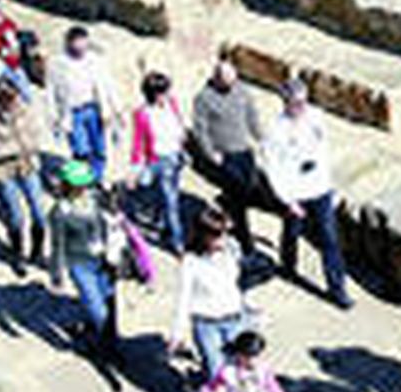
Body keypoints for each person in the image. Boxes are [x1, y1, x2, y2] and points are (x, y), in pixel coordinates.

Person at [263, 79, 350, 309]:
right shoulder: (275, 129)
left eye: (304, 101)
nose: (301, 107)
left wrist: (331, 184)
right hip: (295, 191)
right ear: (285, 102)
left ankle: (337, 290)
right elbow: (273, 168)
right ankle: (288, 266)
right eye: (296, 103)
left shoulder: (316, 117)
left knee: (330, 239)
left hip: (320, 188)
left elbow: (324, 151)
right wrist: (287, 199)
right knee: (292, 232)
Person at [192, 58, 265, 257]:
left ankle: (225, 204)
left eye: (233, 80)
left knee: (249, 188)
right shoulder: (204, 98)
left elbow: (252, 116)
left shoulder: (242, 91)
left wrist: (261, 138)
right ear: (216, 79)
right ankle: (246, 241)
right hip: (225, 156)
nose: (231, 85)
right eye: (226, 82)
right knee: (239, 200)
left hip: (244, 151)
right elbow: (200, 130)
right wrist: (211, 153)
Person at [0, 76, 47, 276]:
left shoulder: (27, 111)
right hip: (2, 172)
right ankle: (17, 253)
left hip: (27, 166)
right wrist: (18, 147)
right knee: (16, 216)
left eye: (13, 97)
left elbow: (36, 139)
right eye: (5, 99)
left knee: (39, 213)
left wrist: (12, 147)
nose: (11, 103)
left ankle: (37, 251)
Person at [170, 208, 248, 381]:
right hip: (206, 323)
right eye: (217, 235)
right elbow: (183, 298)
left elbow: (237, 281)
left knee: (238, 367)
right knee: (216, 371)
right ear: (203, 235)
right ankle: (197, 380)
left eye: (225, 233)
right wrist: (177, 333)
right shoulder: (190, 262)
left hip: (234, 317)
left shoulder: (233, 249)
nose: (223, 239)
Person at [49, 158, 114, 358]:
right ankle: (106, 347)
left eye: (86, 184)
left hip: (103, 262)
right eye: (79, 185)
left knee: (107, 304)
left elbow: (107, 222)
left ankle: (95, 335)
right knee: (99, 311)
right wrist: (56, 273)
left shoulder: (95, 199)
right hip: (79, 264)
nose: (84, 188)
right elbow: (57, 244)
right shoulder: (60, 212)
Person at [51, 26, 124, 185]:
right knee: (80, 150)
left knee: (99, 148)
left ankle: (96, 179)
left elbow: (107, 84)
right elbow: (51, 93)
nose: (82, 47)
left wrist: (117, 110)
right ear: (69, 43)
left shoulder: (95, 61)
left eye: (84, 43)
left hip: (93, 108)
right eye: (78, 43)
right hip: (72, 112)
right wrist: (54, 119)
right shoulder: (57, 64)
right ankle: (80, 181)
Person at [130, 71, 189, 255]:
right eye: (162, 92)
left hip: (176, 156)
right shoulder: (142, 114)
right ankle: (177, 242)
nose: (167, 95)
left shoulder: (171, 103)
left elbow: (179, 122)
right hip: (160, 160)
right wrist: (134, 167)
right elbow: (138, 142)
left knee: (171, 195)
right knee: (171, 202)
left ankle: (161, 221)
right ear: (153, 94)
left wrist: (183, 136)